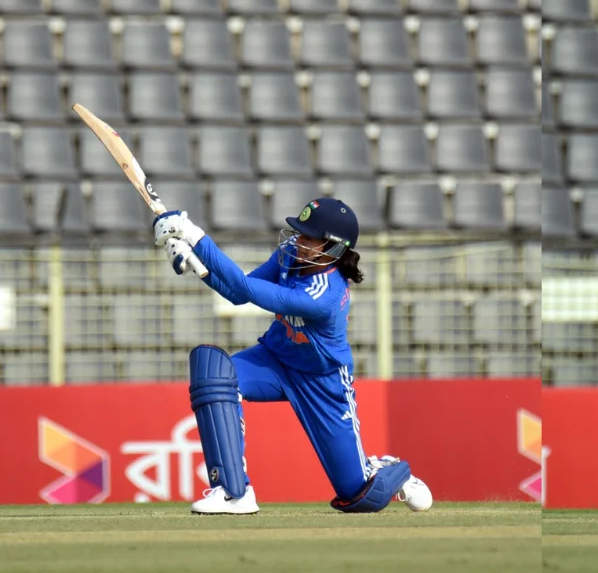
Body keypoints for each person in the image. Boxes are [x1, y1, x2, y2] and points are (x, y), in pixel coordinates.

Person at [155, 197, 433, 515]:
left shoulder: (324, 295)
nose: (299, 240)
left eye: (309, 237)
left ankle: (392, 470)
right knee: (215, 373)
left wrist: (194, 235)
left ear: (333, 247)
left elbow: (245, 289)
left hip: (323, 381)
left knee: (360, 495)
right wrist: (198, 265)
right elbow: (236, 294)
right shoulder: (290, 253)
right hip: (275, 359)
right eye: (300, 232)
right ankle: (233, 492)